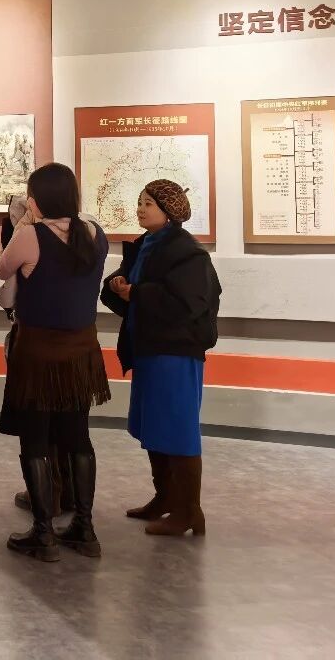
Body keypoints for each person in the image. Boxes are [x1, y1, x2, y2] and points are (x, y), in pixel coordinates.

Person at [0, 163, 110, 563]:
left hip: (38, 355)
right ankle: (85, 527)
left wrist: (25, 223)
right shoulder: (94, 233)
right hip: (81, 353)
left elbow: (2, 268)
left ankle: (43, 532)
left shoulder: (31, 235)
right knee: (78, 438)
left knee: (36, 441)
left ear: (37, 199)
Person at [102, 181, 220, 538]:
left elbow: (189, 304)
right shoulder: (145, 245)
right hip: (150, 348)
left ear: (169, 211)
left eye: (149, 203)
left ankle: (189, 511)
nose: (140, 209)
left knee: (178, 431)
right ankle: (165, 497)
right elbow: (131, 287)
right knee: (154, 426)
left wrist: (138, 292)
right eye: (140, 202)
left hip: (176, 353)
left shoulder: (188, 252)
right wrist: (118, 286)